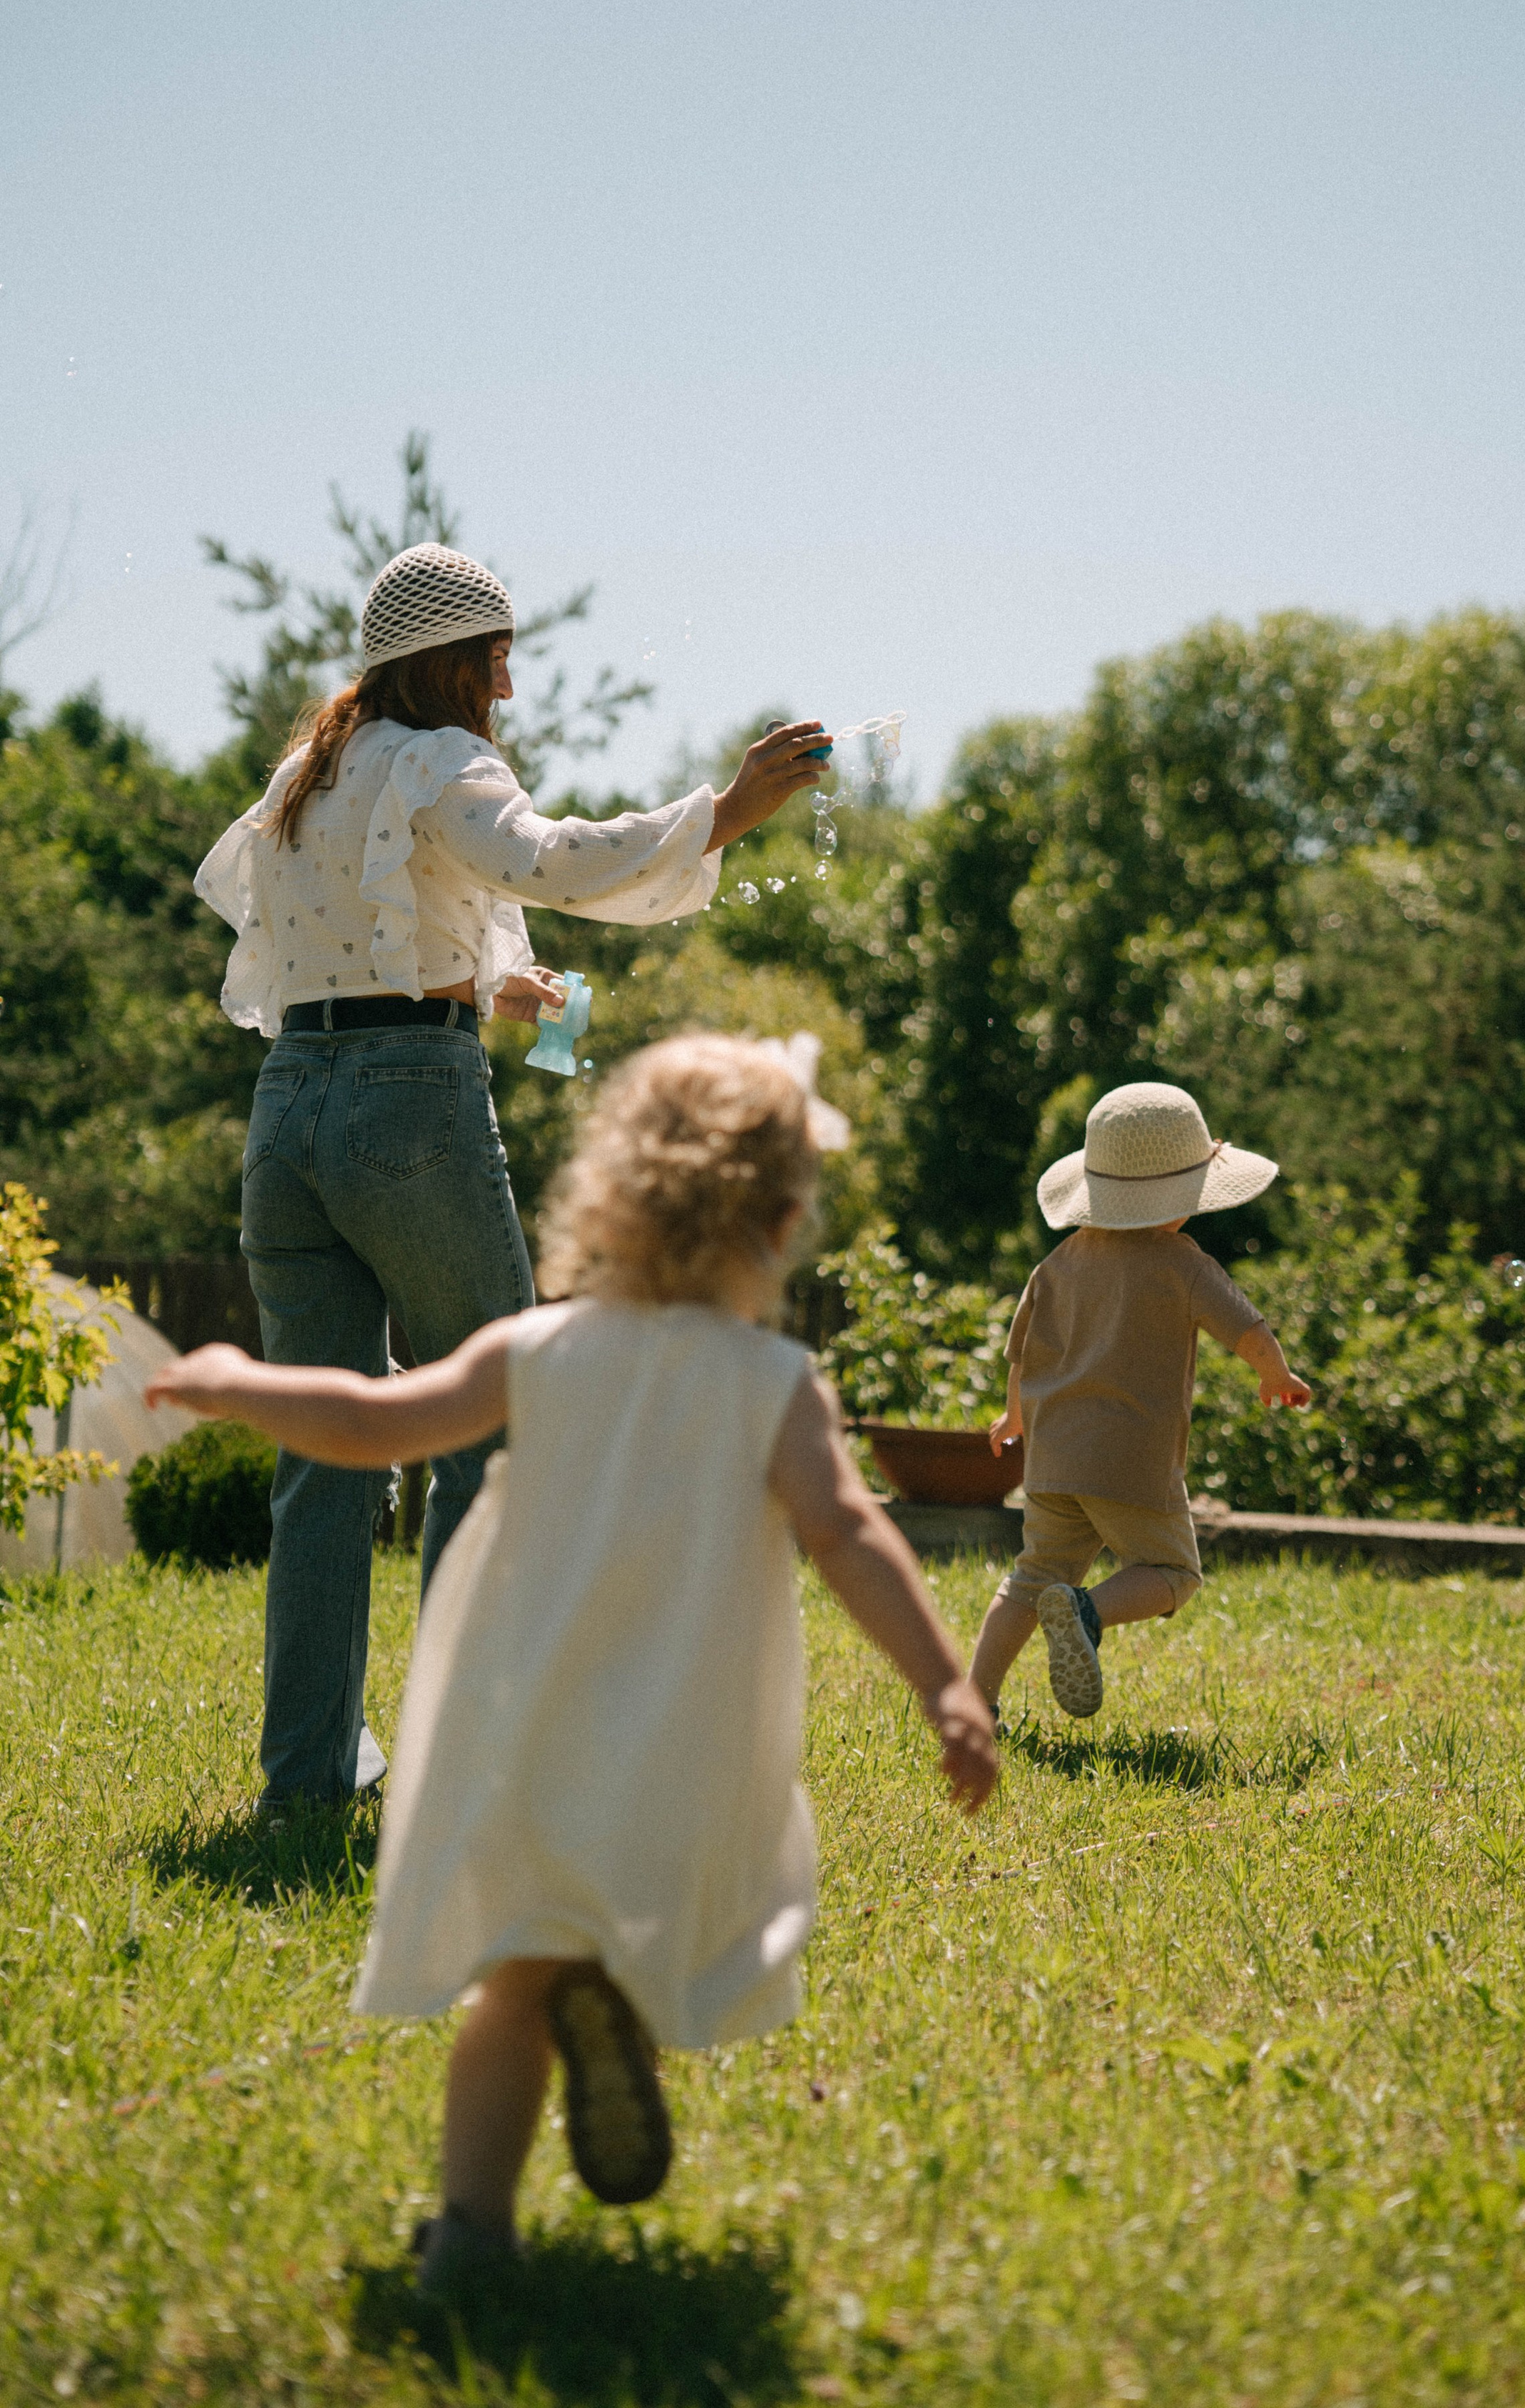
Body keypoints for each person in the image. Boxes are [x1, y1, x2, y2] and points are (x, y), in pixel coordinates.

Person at [146, 1034, 998, 2291]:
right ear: (778, 1225)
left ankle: (471, 2233)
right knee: (642, 1928)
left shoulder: (536, 1348)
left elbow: (376, 1422)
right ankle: (618, 2015)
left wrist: (238, 1382)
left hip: (528, 1730)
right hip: (684, 1746)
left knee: (514, 1987)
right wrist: (945, 1685)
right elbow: (849, 1534)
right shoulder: (774, 1382)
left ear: (605, 1197)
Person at [196, 539, 829, 1807]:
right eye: (495, 658)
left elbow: (347, 946)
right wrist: (726, 809)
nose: (508, 686)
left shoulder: (306, 775)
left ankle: (304, 1782)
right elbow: (553, 861)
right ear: (446, 661)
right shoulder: (442, 760)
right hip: (408, 1106)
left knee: (324, 1449)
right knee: (495, 1420)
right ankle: (464, 1765)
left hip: (287, 1110)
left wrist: (492, 983)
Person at [967, 1081, 1312, 1721]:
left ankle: (974, 1700)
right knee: (1173, 1572)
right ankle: (1088, 1611)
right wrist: (1276, 1374)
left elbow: (1023, 1355)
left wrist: (1015, 1417)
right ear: (1184, 1197)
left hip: (1052, 1459)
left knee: (1032, 1577)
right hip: (1131, 1461)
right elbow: (1248, 1328)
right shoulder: (1183, 1263)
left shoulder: (1056, 1265)